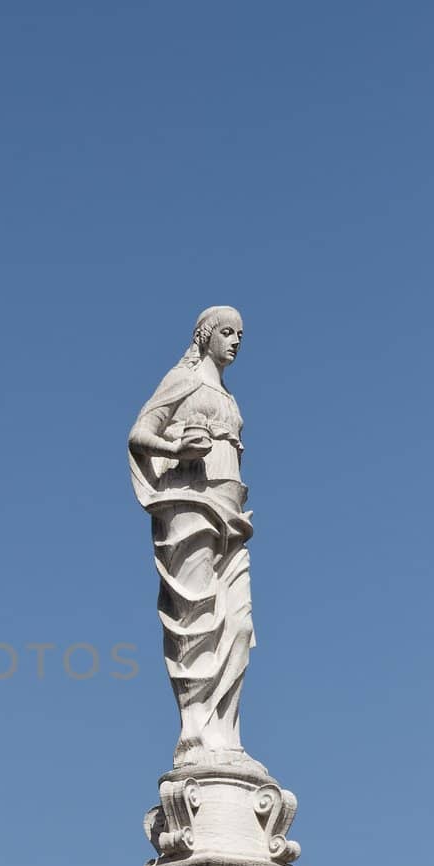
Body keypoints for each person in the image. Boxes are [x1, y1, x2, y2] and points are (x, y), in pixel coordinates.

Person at [128, 306, 253, 764]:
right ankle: (195, 731)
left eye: (241, 334)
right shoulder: (184, 381)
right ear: (205, 335)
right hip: (192, 505)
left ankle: (226, 735)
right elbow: (140, 433)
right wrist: (175, 447)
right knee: (196, 619)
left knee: (238, 626)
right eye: (227, 332)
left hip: (233, 513)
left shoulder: (230, 396)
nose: (236, 341)